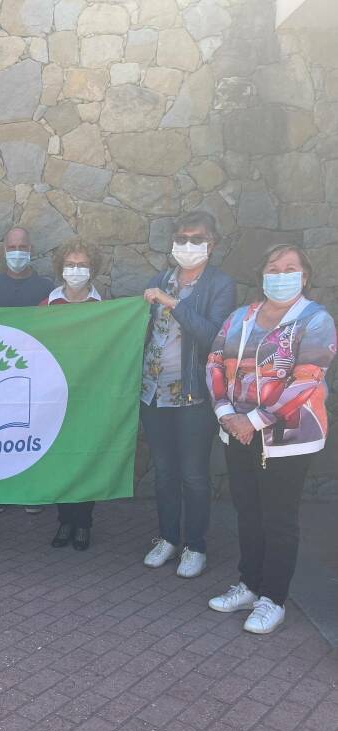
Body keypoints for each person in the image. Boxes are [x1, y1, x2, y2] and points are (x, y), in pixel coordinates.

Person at [206, 245, 336, 634]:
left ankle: (273, 598)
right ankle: (249, 584)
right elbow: (214, 361)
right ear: (262, 273)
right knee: (247, 511)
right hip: (238, 432)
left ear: (304, 276)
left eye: (290, 268)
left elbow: (308, 378)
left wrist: (256, 420)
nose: (280, 274)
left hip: (288, 437)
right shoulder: (239, 318)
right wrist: (226, 414)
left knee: (279, 519)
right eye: (273, 267)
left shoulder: (315, 320)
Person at [140, 211, 236, 578]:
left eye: (196, 239)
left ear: (212, 244)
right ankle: (168, 538)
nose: (187, 246)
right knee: (164, 472)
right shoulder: (159, 279)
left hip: (193, 396)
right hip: (153, 394)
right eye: (181, 238)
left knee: (194, 474)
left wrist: (173, 303)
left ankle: (195, 545)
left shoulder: (220, 285)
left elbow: (214, 335)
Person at [0, 227, 53, 516]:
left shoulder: (47, 287)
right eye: (12, 246)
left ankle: (31, 491)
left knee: (32, 430)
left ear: (31, 249)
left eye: (22, 246)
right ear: (3, 250)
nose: (17, 252)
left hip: (35, 369)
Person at [39, 238, 103, 551]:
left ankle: (83, 523)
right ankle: (64, 520)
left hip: (90, 393)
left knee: (85, 457)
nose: (76, 270)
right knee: (62, 458)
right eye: (70, 264)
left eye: (82, 264)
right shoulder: (49, 304)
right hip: (56, 394)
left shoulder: (103, 307)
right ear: (61, 268)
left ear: (92, 270)